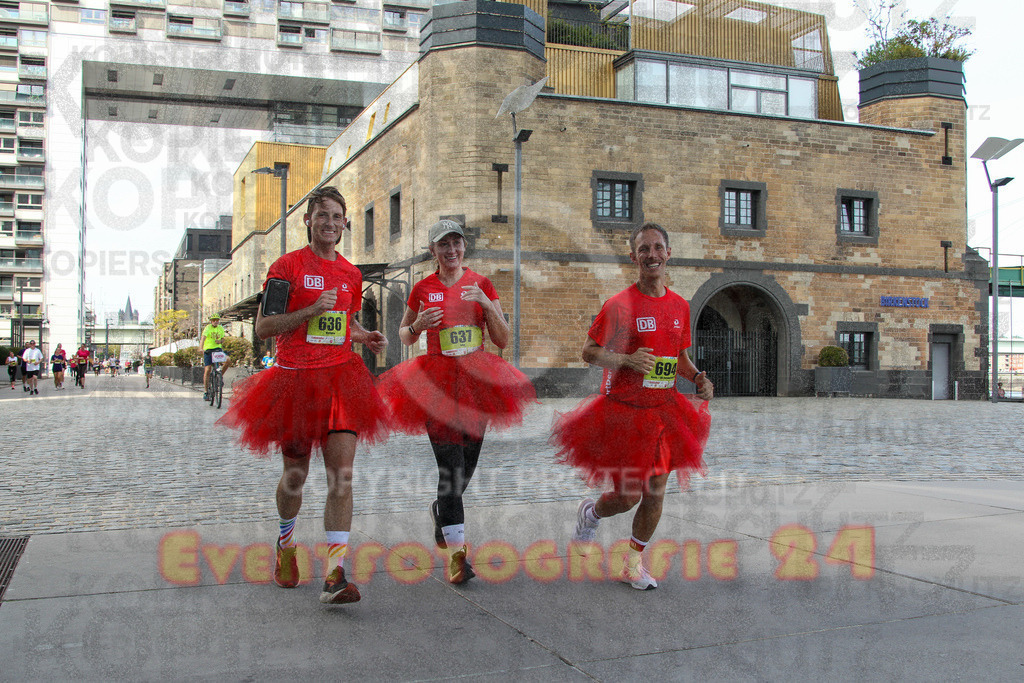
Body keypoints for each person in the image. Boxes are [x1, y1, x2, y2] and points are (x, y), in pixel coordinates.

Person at [219, 186, 390, 605]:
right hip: (295, 382)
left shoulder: (351, 274)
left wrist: (363, 335)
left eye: (337, 216)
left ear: (345, 222)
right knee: (295, 478)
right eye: (322, 216)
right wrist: (310, 311)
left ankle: (334, 575)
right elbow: (263, 328)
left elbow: (343, 322)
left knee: (342, 476)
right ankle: (285, 542)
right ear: (308, 221)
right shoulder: (286, 267)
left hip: (342, 381)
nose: (331, 223)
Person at [551, 222, 714, 591]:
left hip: (666, 413)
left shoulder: (680, 306)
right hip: (624, 413)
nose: (652, 255)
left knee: (655, 493)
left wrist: (699, 379)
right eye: (644, 249)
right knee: (626, 497)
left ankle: (633, 563)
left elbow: (681, 358)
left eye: (658, 248)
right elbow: (588, 352)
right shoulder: (619, 305)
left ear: (668, 253)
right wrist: (626, 360)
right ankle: (590, 513)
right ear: (634, 257)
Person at [377, 219, 537, 584]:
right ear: (432, 251)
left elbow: (501, 339)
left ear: (464, 248)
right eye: (443, 245)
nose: (451, 251)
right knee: (450, 470)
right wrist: (417, 325)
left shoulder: (481, 284)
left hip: (478, 381)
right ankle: (457, 556)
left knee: (465, 466)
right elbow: (403, 334)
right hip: (436, 384)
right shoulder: (423, 287)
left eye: (456, 244)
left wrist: (488, 306)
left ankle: (441, 511)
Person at [200, 313, 227, 400]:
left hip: (217, 350)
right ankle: (206, 392)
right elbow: (203, 338)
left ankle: (219, 377)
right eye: (214, 320)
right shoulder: (208, 328)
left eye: (217, 320)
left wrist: (220, 341)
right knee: (207, 370)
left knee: (228, 360)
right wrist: (201, 348)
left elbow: (223, 339)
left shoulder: (221, 328)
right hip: (208, 350)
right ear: (211, 321)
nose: (216, 322)